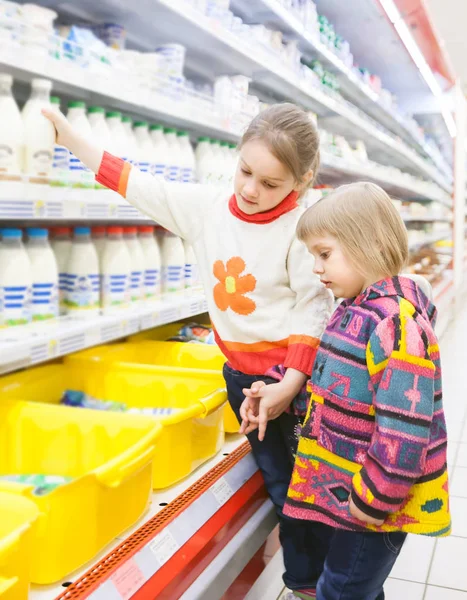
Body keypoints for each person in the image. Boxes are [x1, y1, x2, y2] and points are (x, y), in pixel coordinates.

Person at [42, 102, 334, 595]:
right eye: (245, 171)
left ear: (302, 182)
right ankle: (307, 577)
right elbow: (139, 183)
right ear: (237, 156)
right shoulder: (208, 210)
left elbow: (314, 309)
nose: (249, 190)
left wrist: (291, 383)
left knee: (311, 492)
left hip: (296, 381)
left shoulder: (300, 230)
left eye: (270, 183)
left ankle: (317, 582)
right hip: (246, 382)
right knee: (283, 486)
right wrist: (70, 139)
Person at [277, 182, 451, 599]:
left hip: (376, 507)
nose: (317, 269)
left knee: (342, 590)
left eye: (324, 254)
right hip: (355, 495)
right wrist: (284, 392)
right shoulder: (354, 309)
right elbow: (333, 381)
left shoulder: (396, 326)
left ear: (368, 244)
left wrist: (374, 498)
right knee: (352, 587)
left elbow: (405, 430)